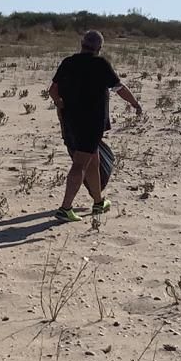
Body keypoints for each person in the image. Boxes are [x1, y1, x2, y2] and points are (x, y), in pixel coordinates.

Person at [49, 30, 142, 222]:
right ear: (99, 48)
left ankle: (98, 202)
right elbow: (119, 88)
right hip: (90, 123)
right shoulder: (100, 64)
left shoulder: (68, 62)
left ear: (81, 43)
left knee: (94, 160)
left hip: (70, 120)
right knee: (80, 164)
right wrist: (135, 103)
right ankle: (65, 208)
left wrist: (60, 103)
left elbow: (53, 90)